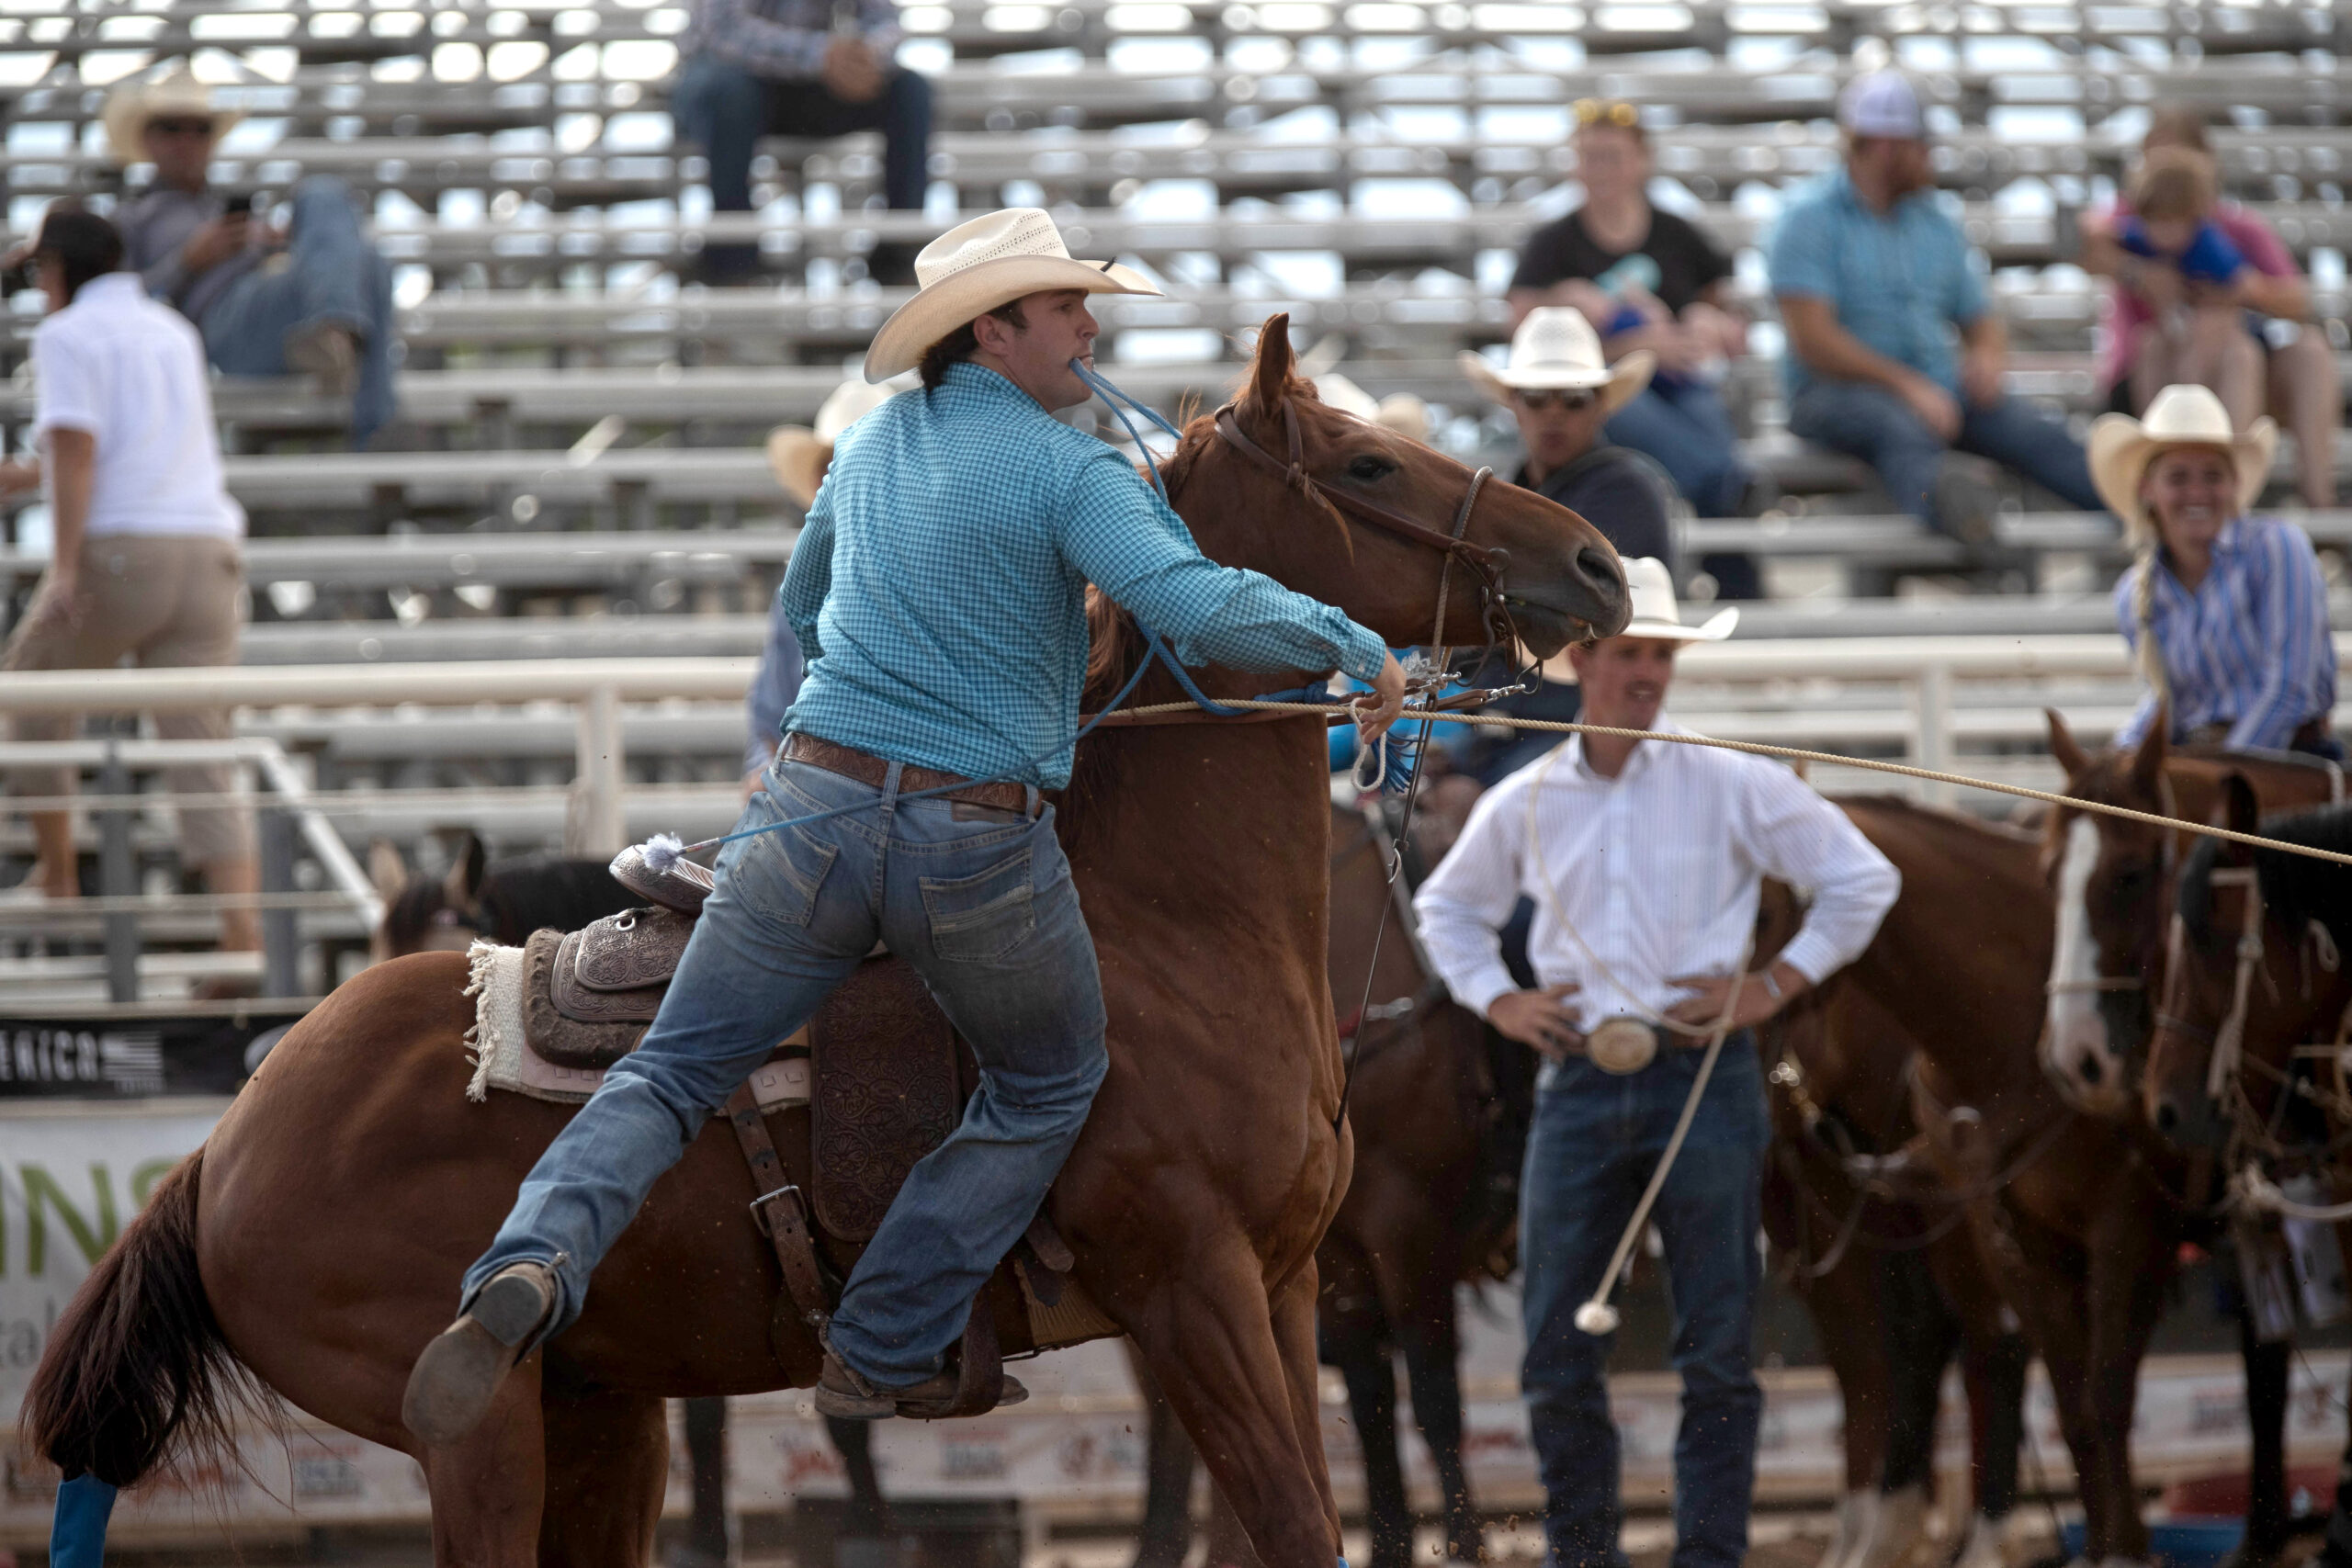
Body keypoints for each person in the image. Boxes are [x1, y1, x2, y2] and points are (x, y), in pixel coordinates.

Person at [401, 208, 1410, 1442]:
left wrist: (893, 685)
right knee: (1048, 1076)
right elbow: (1186, 601)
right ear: (995, 329)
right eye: (1063, 307)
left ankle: (536, 1255)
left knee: (671, 1067)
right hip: (970, 837)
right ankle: (882, 1338)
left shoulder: (872, 447)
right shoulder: (1067, 467)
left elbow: (807, 600)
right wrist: (1351, 642)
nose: (1089, 325)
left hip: (804, 811)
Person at [1414, 557, 1900, 1568]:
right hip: (1580, 1082)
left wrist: (1770, 987)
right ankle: (1583, 1557)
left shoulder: (1731, 782)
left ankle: (1708, 1558)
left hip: (1704, 1079)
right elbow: (1445, 911)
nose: (1646, 673)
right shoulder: (1526, 796)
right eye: (1628, 652)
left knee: (1717, 1353)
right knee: (1556, 1355)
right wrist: (1498, 1001)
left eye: (1659, 655)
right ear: (1582, 660)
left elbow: (1862, 878)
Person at [0, 208, 259, 963]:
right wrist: (27, 480)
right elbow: (136, 453)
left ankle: (56, 873)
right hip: (208, 553)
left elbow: (79, 447)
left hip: (122, 556)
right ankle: (244, 940)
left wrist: (66, 565)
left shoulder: (66, 333)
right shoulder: (171, 328)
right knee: (201, 750)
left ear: (55, 271)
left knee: (30, 695)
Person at [1769, 72, 2103, 542]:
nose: (1930, 159)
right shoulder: (1806, 219)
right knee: (1897, 426)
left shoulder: (1933, 220)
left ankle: (2133, 508)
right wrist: (1907, 386)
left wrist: (1986, 359)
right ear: (1887, 146)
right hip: (1831, 395)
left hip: (1929, 390)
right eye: (1921, 146)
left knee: (2032, 432)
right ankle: (1957, 516)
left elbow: (1979, 317)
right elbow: (1815, 343)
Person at [1508, 97, 1765, 596]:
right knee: (1698, 455)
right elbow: (1523, 334)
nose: (1599, 169)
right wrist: (1635, 345)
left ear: (1642, 161)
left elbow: (1733, 319)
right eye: (1589, 156)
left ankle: (1726, 508)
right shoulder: (1553, 243)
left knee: (1696, 437)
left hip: (1677, 384)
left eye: (1611, 156)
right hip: (1608, 391)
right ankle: (1735, 515)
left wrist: (1708, 325)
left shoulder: (1677, 234)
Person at [105, 72, 399, 449]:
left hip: (274, 304)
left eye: (200, 129)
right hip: (221, 322)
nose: (187, 140)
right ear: (147, 139)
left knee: (330, 208)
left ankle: (333, 335)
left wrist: (274, 246)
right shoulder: (131, 217)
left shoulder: (229, 210)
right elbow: (117, 300)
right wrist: (187, 261)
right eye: (172, 128)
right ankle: (369, 408)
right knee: (359, 248)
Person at [2084, 107, 2339, 508]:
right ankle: (2190, 484)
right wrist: (2139, 273)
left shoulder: (2232, 231)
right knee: (2201, 347)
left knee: (2296, 352)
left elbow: (2294, 300)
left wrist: (2242, 292)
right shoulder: (2133, 220)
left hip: (2225, 365)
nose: (2171, 176)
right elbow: (2083, 243)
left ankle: (2314, 498)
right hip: (2151, 372)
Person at [2090, 383, 2337, 757]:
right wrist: (2114, 760)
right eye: (2178, 478)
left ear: (2233, 484)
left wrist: (2223, 777)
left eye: (2212, 476)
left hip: (2290, 763)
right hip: (2202, 770)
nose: (2197, 493)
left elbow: (2291, 690)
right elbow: (2167, 706)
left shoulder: (2277, 548)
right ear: (2148, 489)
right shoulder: (2134, 594)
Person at [673, 0, 933, 285]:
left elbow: (886, 20)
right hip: (724, 85)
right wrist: (823, 55)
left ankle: (900, 251)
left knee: (911, 91)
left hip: (800, 86)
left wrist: (862, 56)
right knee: (730, 92)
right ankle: (731, 256)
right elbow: (723, 33)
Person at [1463, 307, 1676, 570]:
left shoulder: (1629, 489)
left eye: (1575, 400)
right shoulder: (1510, 488)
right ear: (1514, 405)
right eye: (1535, 398)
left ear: (1601, 407)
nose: (1554, 414)